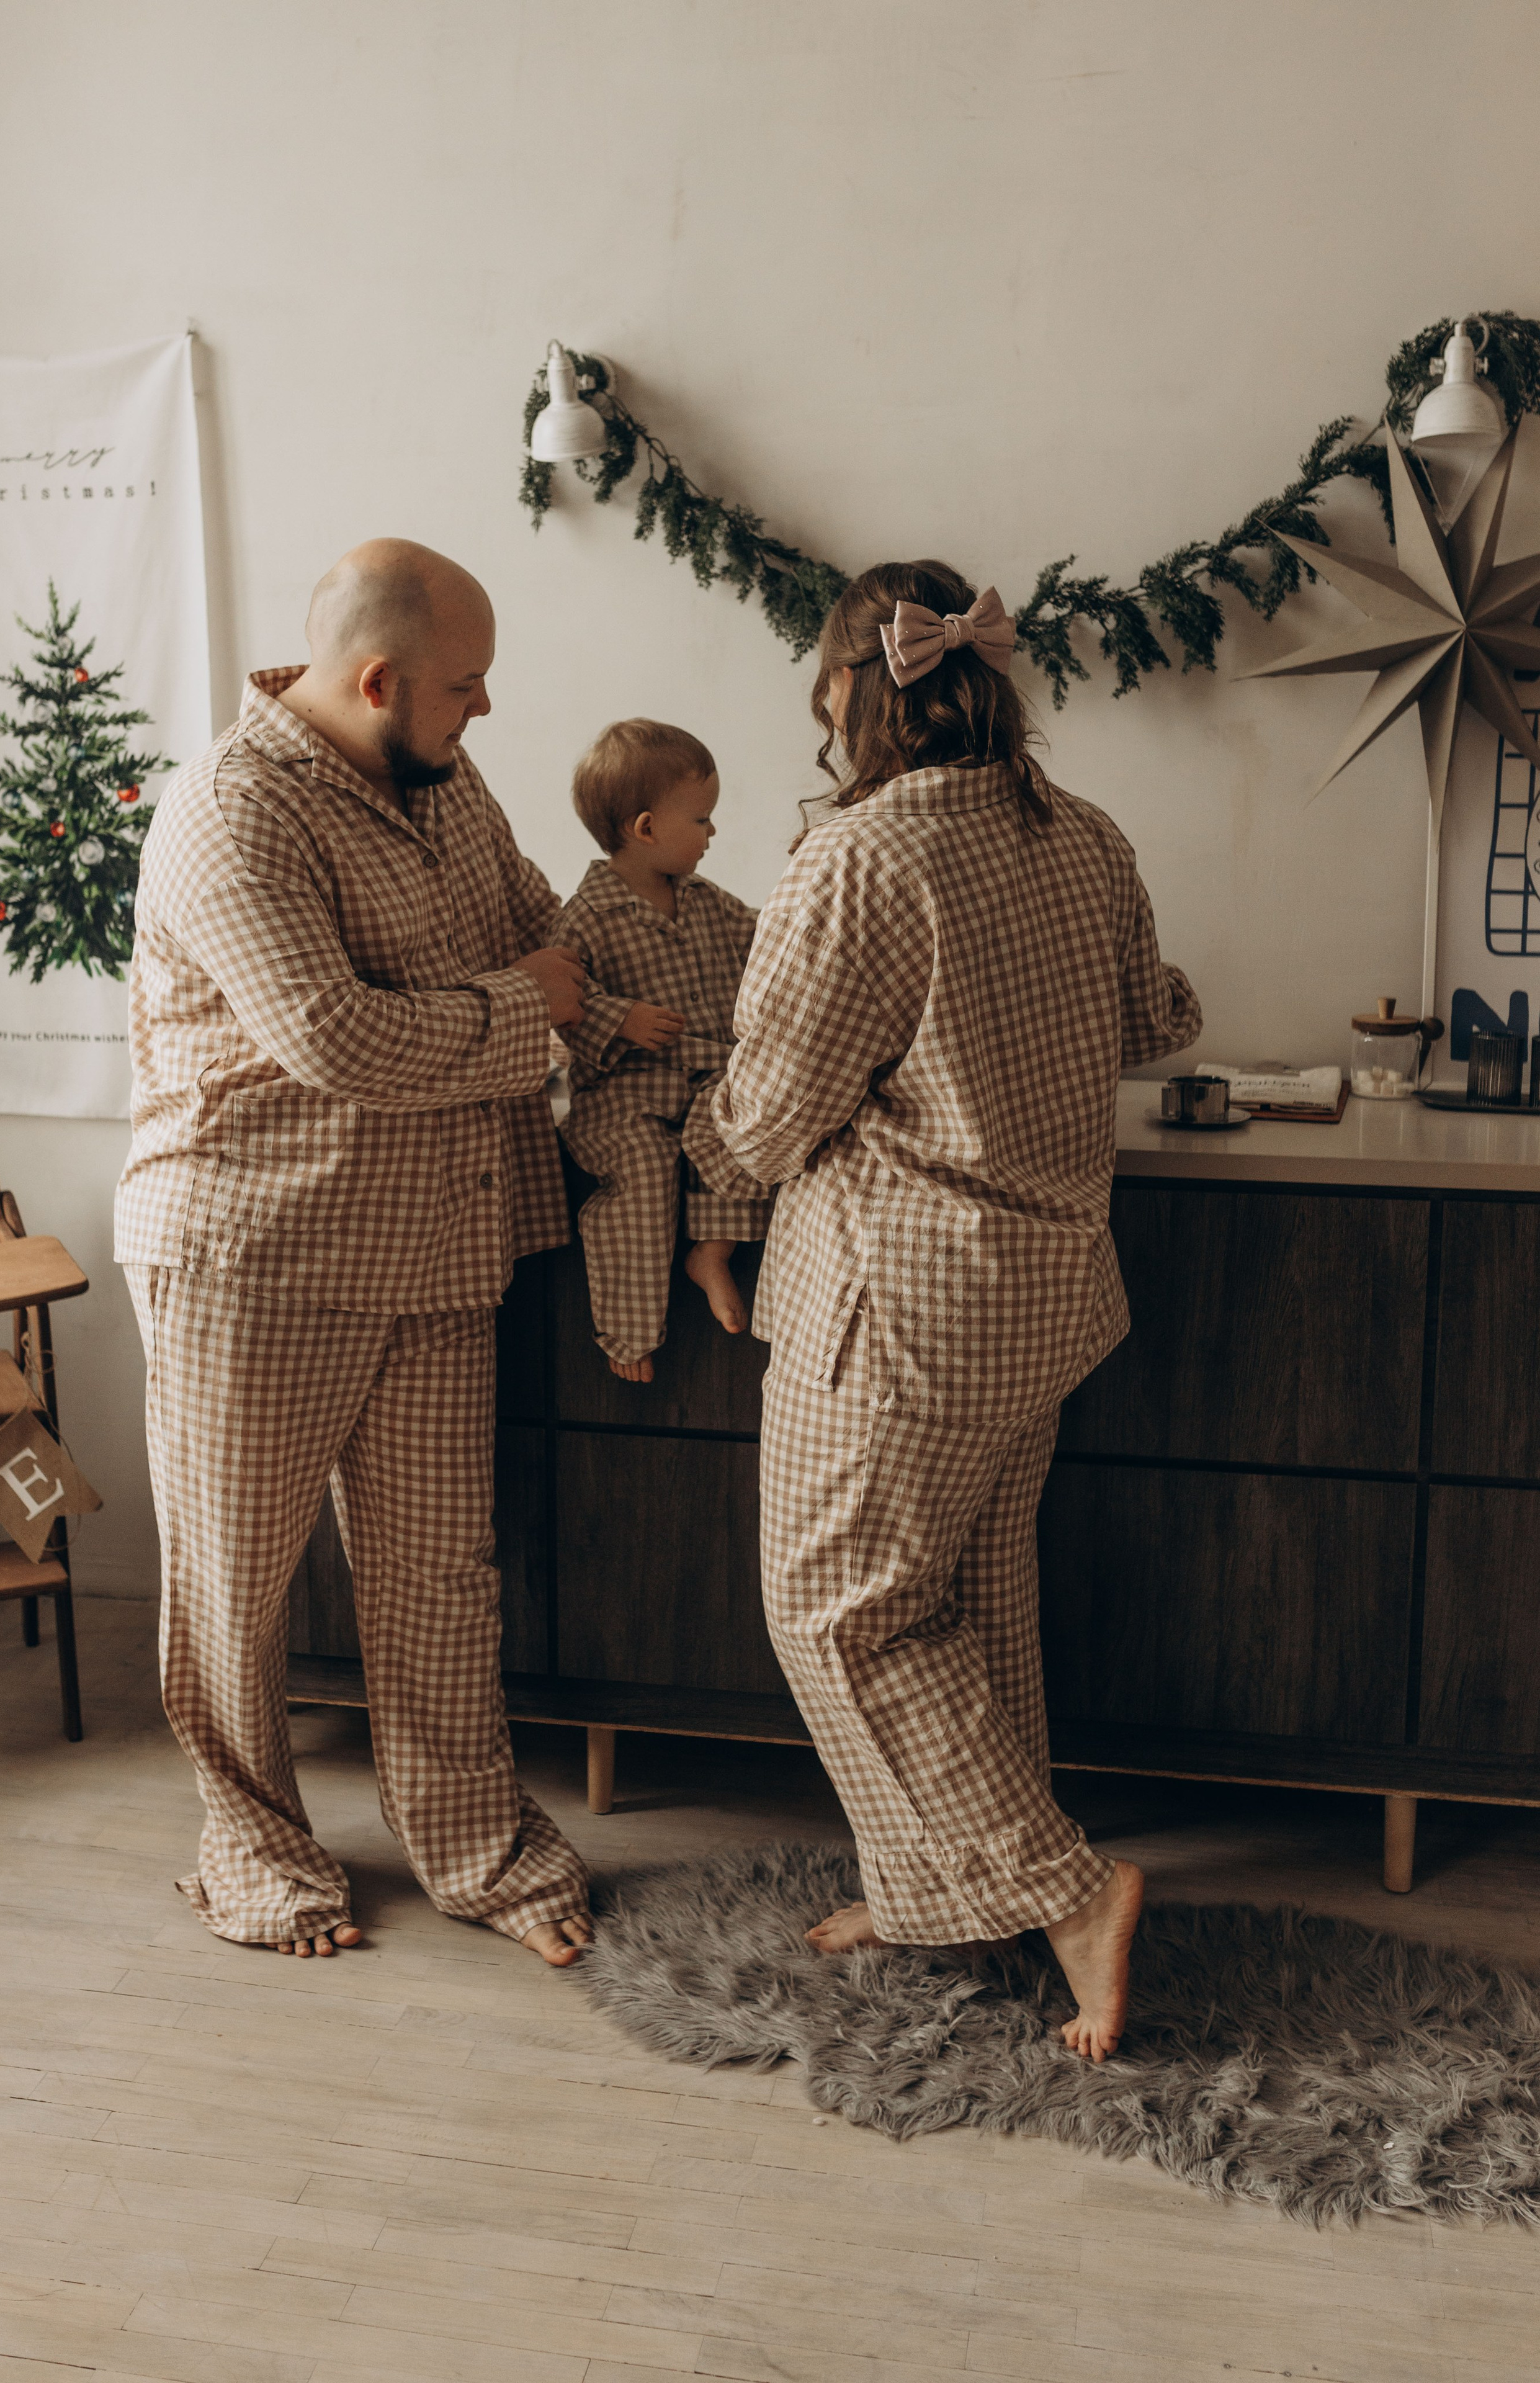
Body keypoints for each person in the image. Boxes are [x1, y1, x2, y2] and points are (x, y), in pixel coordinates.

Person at [712, 560, 1201, 2061]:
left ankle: (1061, 1891)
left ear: (856, 693)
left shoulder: (856, 858)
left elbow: (775, 1105)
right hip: (1044, 1299)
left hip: (900, 1302)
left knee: (843, 1610)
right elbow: (1158, 1021)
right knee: (972, 1607)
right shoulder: (1082, 830)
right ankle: (938, 1893)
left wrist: (701, 1152)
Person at [115, 538, 595, 1967]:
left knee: (438, 1573)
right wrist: (523, 1004)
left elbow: (542, 929)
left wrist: (649, 951)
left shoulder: (444, 781)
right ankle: (251, 1840)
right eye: (464, 683)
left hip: (438, 1241)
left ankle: (476, 1842)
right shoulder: (227, 808)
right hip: (250, 1251)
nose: (486, 707)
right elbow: (335, 1035)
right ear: (377, 678)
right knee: (232, 1580)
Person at [551, 719, 772, 1385]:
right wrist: (620, 1019)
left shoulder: (709, 905)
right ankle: (628, 1327)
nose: (711, 834)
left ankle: (711, 1252)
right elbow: (559, 999)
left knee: (749, 1129)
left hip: (706, 1080)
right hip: (623, 1097)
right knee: (644, 1169)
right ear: (645, 828)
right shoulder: (584, 917)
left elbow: (773, 942)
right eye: (702, 820)